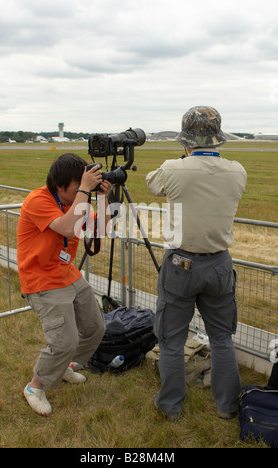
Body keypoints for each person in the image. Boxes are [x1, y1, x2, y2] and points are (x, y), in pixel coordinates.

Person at [146, 106, 247, 422]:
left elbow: (152, 184)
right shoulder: (238, 171)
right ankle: (227, 406)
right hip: (219, 264)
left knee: (172, 340)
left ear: (185, 140)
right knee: (221, 340)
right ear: (217, 138)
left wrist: (182, 160)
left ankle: (170, 405)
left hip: (181, 263)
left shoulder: (174, 168)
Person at [17, 153, 112, 416]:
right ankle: (35, 387)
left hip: (66, 273)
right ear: (60, 187)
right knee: (64, 340)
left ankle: (64, 368)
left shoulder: (77, 199)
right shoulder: (38, 200)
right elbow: (69, 229)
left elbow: (101, 230)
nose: (86, 190)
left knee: (95, 327)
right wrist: (84, 190)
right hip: (41, 279)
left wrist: (102, 197)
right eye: (79, 185)